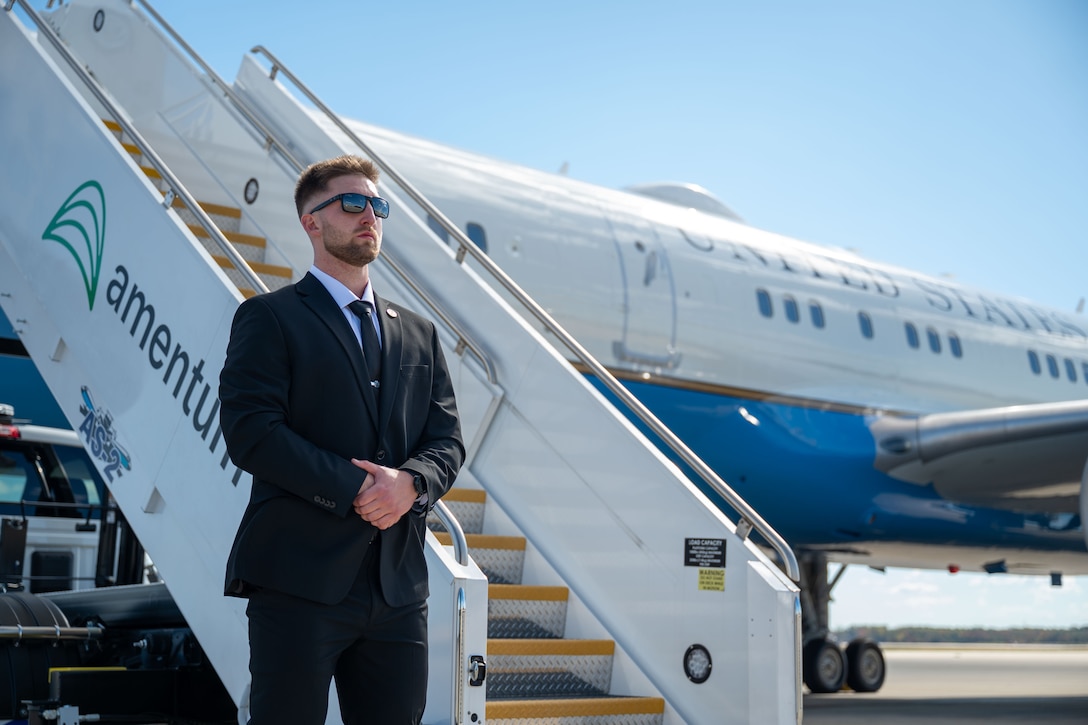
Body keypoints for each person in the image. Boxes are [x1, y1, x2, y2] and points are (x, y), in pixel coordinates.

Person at [219, 154, 465, 724]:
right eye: (353, 204)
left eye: (378, 206)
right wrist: (357, 487)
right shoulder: (270, 317)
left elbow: (446, 439)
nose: (369, 216)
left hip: (398, 591)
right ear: (311, 221)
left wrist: (410, 485)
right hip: (297, 582)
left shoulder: (420, 334)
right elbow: (252, 432)